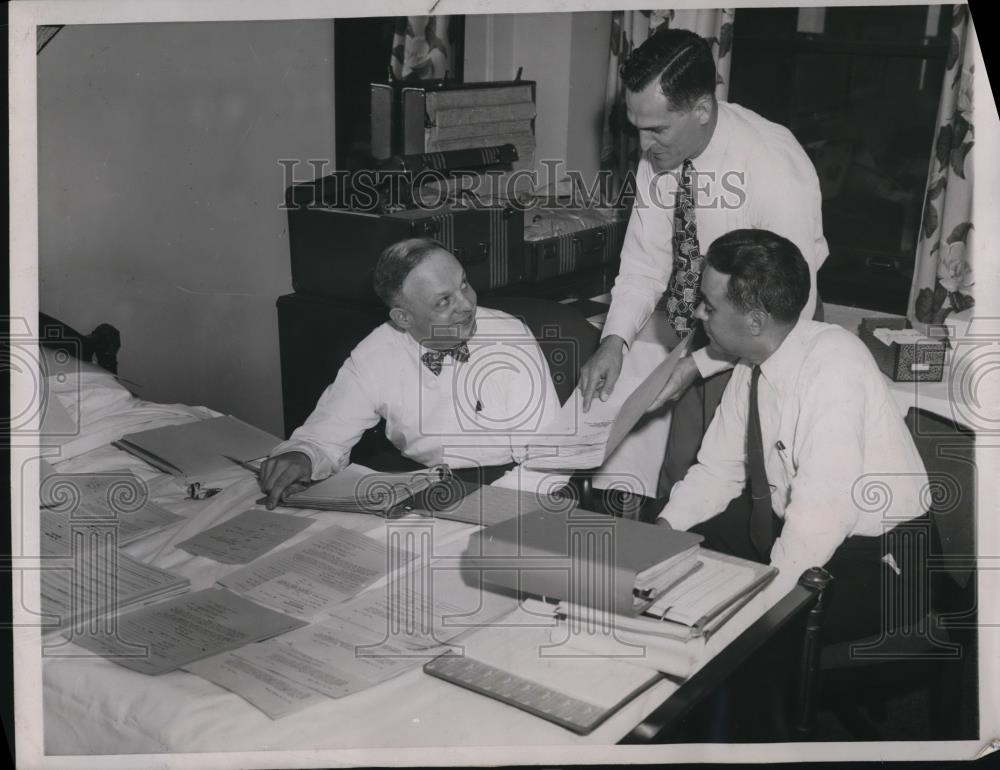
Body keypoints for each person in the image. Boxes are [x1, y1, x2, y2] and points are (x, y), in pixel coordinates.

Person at [578, 26, 828, 501]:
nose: (644, 145)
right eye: (636, 127)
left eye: (656, 128)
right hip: (709, 324)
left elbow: (786, 307)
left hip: (774, 332)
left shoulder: (772, 167)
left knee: (760, 492)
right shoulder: (664, 151)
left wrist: (697, 365)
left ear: (702, 110)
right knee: (681, 477)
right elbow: (645, 262)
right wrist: (614, 341)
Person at [656, 228, 928, 641]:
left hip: (884, 559)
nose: (698, 314)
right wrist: (660, 535)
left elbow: (818, 523)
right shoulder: (754, 360)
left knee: (737, 631)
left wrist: (759, 611)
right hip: (798, 528)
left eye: (709, 307)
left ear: (755, 321)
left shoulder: (834, 366)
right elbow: (716, 472)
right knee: (672, 572)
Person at [260, 237, 563, 508]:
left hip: (512, 482)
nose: (467, 304)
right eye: (444, 300)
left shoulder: (509, 337)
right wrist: (302, 455)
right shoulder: (376, 353)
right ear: (403, 317)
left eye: (464, 284)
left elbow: (548, 460)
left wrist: (486, 508)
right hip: (418, 481)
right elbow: (325, 435)